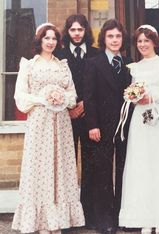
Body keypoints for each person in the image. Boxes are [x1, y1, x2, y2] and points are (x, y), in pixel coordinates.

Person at [12, 23, 85, 234]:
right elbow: (21, 95)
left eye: (54, 38)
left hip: (61, 122)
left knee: (59, 168)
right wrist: (43, 98)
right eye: (47, 38)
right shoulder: (29, 64)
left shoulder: (62, 65)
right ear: (40, 40)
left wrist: (62, 97)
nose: (50, 42)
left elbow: (72, 94)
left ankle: (56, 221)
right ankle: (42, 222)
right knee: (40, 168)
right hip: (39, 121)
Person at [119, 25, 159, 234]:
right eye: (139, 41)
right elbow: (132, 92)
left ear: (155, 42)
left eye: (147, 40)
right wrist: (134, 97)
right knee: (143, 163)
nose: (143, 45)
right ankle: (145, 216)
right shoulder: (135, 67)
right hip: (141, 120)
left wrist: (153, 97)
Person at [83, 19, 132, 234]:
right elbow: (89, 98)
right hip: (101, 127)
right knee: (102, 174)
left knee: (123, 170)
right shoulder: (93, 63)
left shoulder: (129, 64)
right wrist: (92, 125)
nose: (114, 40)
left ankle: (121, 216)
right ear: (104, 39)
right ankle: (104, 220)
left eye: (118, 36)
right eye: (110, 36)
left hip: (125, 126)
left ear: (123, 39)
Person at [55, 14, 98, 228]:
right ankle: (68, 218)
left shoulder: (96, 54)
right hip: (66, 117)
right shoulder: (59, 55)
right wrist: (70, 106)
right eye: (73, 30)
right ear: (68, 32)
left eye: (80, 29)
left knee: (90, 166)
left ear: (86, 31)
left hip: (90, 117)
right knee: (67, 166)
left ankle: (88, 216)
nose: (77, 33)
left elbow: (99, 88)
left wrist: (84, 106)